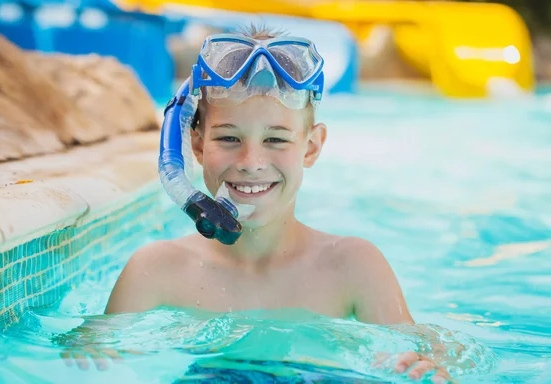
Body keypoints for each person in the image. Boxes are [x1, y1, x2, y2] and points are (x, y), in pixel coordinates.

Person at [72, 25, 452, 383]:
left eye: (275, 140)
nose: (251, 162)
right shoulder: (154, 272)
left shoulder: (353, 265)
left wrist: (433, 364)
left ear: (312, 146)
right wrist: (83, 344)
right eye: (229, 138)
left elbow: (422, 356)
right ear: (198, 145)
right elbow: (85, 360)